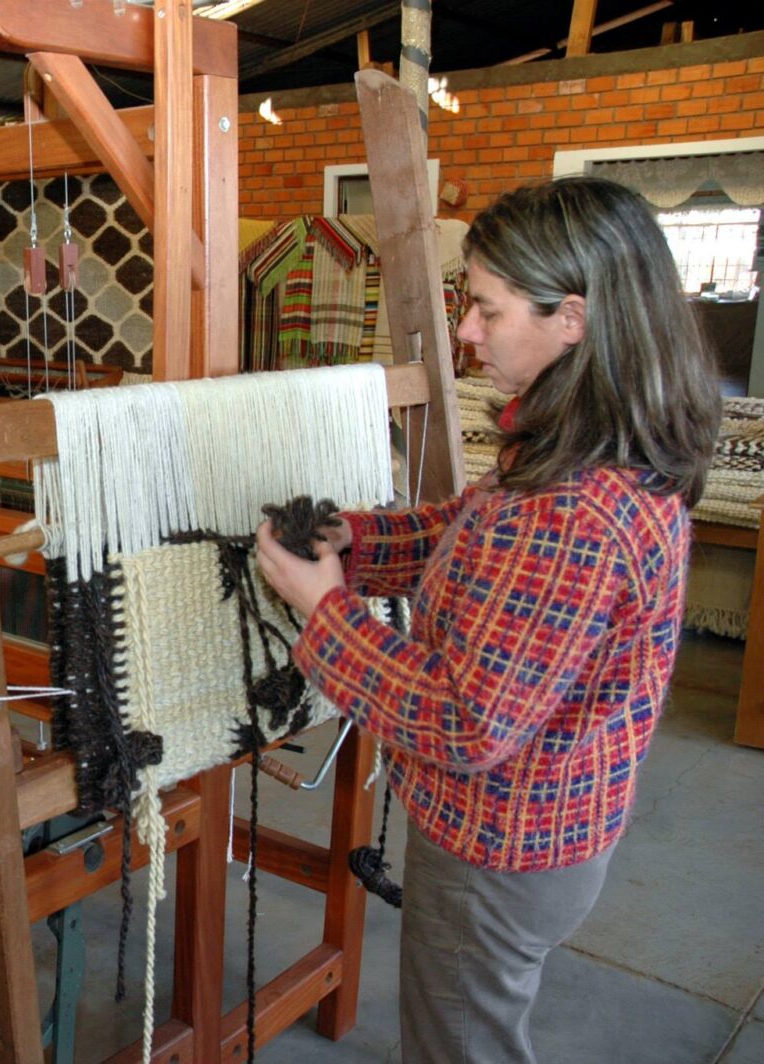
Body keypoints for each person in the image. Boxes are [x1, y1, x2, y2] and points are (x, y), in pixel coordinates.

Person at [255, 177, 722, 1064]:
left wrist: (324, 609)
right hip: (545, 830)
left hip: (500, 851)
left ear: (573, 318)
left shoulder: (576, 507)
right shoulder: (586, 446)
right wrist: (356, 538)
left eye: (486, 309)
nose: (466, 333)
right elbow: (472, 535)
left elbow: (469, 720)